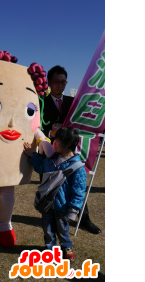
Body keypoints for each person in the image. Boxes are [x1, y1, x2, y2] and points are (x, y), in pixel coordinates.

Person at [40, 65, 101, 234]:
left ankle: (84, 219)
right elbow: (33, 125)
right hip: (48, 152)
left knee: (76, 185)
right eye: (56, 81)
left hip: (69, 153)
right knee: (48, 188)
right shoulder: (40, 102)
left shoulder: (72, 102)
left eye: (63, 82)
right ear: (49, 82)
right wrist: (50, 132)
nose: (60, 85)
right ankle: (49, 219)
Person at [23, 127, 87, 262]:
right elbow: (40, 168)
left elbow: (78, 191)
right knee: (47, 229)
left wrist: (73, 210)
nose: (54, 143)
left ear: (68, 143)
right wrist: (32, 155)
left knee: (63, 230)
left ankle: (66, 248)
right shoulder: (51, 159)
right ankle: (50, 250)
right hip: (47, 203)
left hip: (62, 207)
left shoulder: (77, 167)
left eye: (57, 140)